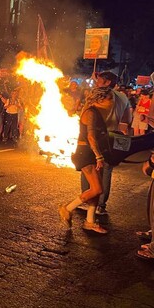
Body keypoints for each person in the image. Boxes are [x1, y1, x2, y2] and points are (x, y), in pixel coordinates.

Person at [59, 88, 113, 234]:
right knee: (97, 189)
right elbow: (91, 137)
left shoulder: (96, 112)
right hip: (86, 154)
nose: (111, 102)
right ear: (100, 99)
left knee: (95, 190)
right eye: (109, 98)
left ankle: (90, 222)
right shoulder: (90, 113)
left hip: (91, 153)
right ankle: (68, 208)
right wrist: (99, 156)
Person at [80, 71, 131, 217]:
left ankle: (87, 199)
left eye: (99, 80)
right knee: (107, 171)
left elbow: (85, 115)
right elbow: (126, 119)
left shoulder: (99, 97)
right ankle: (101, 206)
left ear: (107, 82)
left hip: (97, 137)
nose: (96, 83)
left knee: (89, 168)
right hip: (113, 137)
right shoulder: (123, 96)